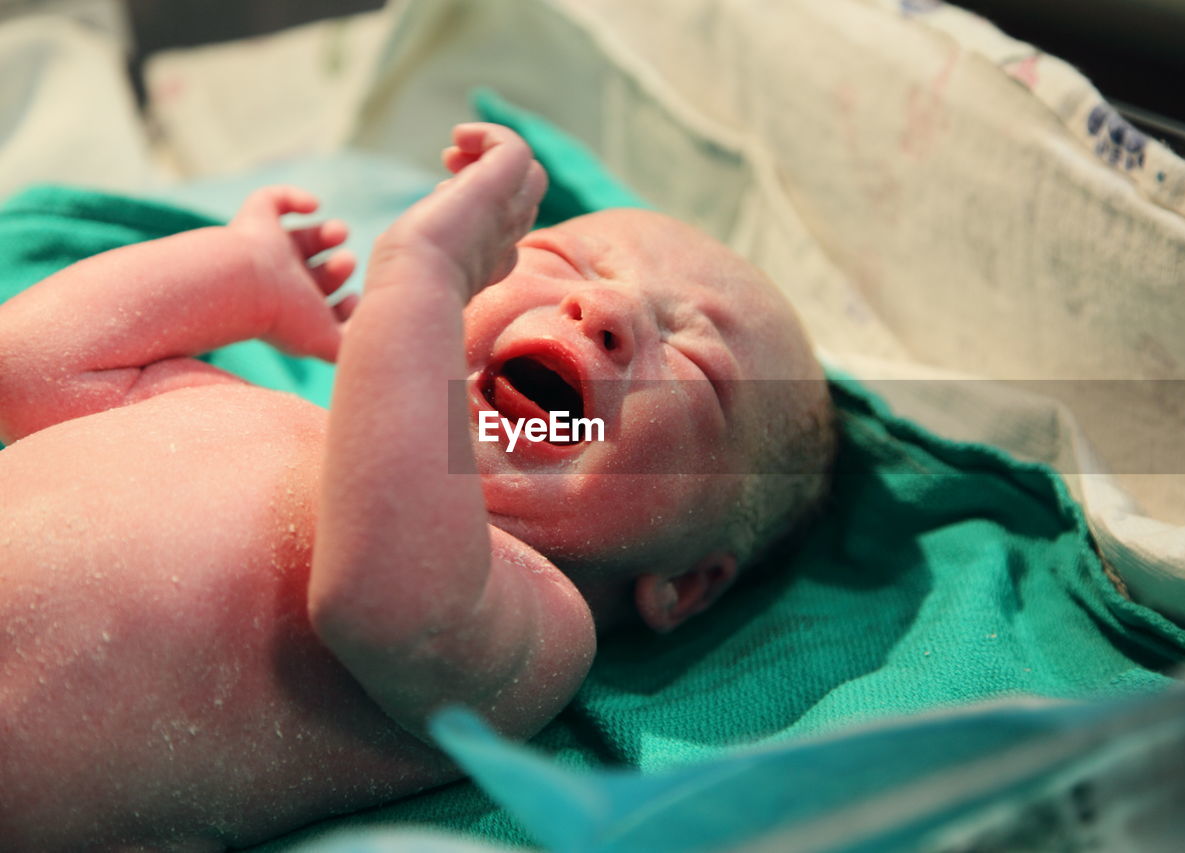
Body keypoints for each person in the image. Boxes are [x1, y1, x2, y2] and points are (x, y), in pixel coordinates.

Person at [0, 123, 835, 850]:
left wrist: (423, 277)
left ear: (686, 583)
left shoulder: (534, 621)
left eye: (700, 365)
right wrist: (243, 274)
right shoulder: (253, 408)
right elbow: (32, 368)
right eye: (557, 257)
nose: (604, 309)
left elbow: (380, 603)